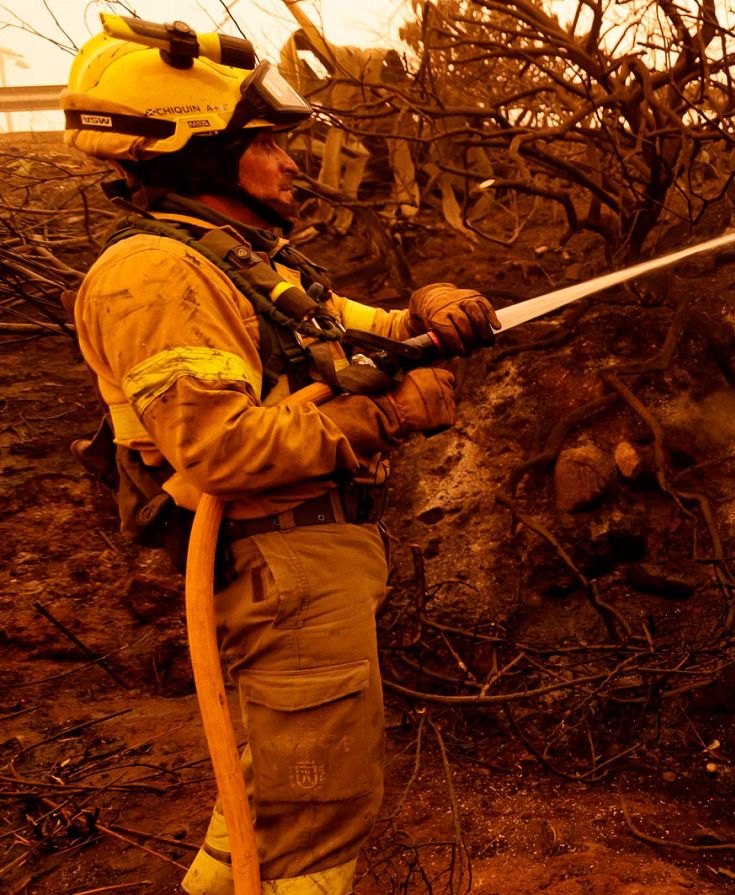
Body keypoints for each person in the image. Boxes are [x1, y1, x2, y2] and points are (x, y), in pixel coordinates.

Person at [61, 16, 498, 894]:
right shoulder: (155, 276)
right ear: (196, 150)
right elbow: (223, 448)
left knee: (264, 800)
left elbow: (347, 332)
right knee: (314, 816)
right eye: (265, 145)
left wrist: (428, 309)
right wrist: (388, 416)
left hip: (302, 563)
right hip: (276, 566)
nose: (292, 164)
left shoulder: (236, 260)